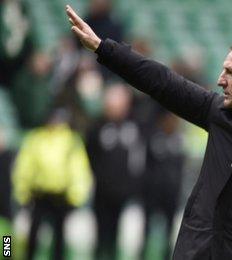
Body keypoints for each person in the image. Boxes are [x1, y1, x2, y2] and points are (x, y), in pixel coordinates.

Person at [66, 5, 232, 259]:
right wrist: (103, 48)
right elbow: (163, 82)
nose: (220, 80)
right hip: (196, 252)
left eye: (231, 73)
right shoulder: (220, 112)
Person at [12, 108, 93, 260]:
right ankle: (13, 255)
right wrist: (22, 192)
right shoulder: (37, 138)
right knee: (31, 235)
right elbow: (24, 167)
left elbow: (78, 170)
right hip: (39, 194)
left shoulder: (71, 140)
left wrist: (76, 196)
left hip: (61, 196)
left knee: (59, 237)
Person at [86, 84, 143, 260]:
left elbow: (138, 158)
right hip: (102, 190)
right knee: (100, 233)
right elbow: (90, 154)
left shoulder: (133, 126)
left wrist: (132, 184)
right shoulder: (98, 126)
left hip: (122, 191)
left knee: (116, 233)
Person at [140, 109, 185, 260]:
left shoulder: (178, 141)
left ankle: (167, 256)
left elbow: (180, 169)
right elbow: (146, 166)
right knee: (146, 229)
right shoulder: (154, 139)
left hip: (171, 194)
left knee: (169, 231)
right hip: (152, 193)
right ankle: (142, 254)